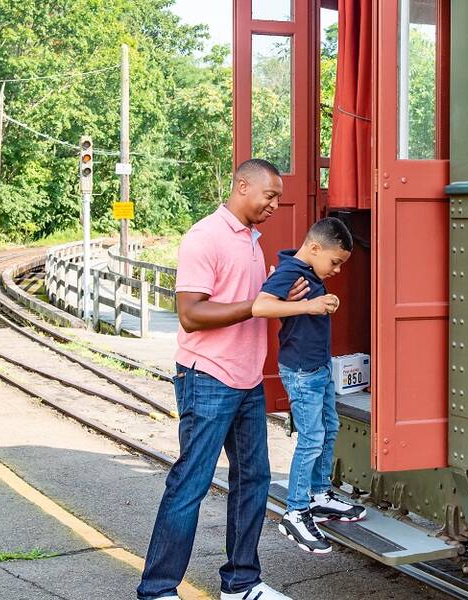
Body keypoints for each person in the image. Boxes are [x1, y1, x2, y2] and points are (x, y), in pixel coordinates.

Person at [137, 159, 331, 600]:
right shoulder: (206, 237)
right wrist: (255, 306)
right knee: (191, 482)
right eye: (270, 195)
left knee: (253, 480)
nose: (275, 205)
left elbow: (247, 299)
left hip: (245, 381)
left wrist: (275, 294)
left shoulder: (251, 241)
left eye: (278, 198)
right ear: (242, 186)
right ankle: (157, 589)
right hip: (207, 377)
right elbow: (190, 315)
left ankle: (241, 583)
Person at [252, 217, 368, 555]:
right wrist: (311, 305)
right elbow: (261, 306)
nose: (336, 271)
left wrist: (322, 301)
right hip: (301, 372)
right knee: (311, 438)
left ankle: (319, 494)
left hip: (319, 369)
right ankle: (296, 511)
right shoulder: (291, 272)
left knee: (329, 429)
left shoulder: (310, 272)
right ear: (314, 248)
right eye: (334, 262)